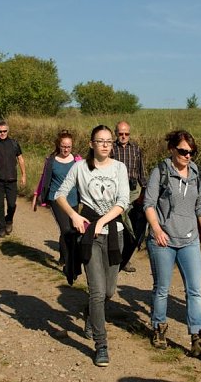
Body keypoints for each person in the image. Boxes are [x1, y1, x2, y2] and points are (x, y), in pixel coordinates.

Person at [54, 125, 129, 367]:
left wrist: (104, 221)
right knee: (97, 292)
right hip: (90, 237)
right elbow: (60, 194)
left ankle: (89, 314)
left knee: (109, 292)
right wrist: (74, 217)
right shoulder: (80, 167)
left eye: (109, 141)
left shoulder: (120, 168)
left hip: (114, 234)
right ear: (91, 144)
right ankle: (101, 344)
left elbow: (123, 202)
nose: (106, 145)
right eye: (100, 141)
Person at [143, 129, 201, 357]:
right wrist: (156, 230)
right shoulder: (161, 171)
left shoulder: (196, 173)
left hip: (190, 239)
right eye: (183, 151)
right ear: (172, 149)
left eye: (192, 152)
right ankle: (159, 329)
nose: (188, 156)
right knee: (162, 289)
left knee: (195, 291)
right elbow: (148, 203)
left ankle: (198, 338)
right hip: (164, 240)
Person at [32, 130, 82, 265]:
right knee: (65, 229)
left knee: (72, 230)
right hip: (56, 199)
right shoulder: (51, 161)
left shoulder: (78, 160)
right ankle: (67, 260)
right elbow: (44, 179)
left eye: (68, 146)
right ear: (59, 145)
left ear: (72, 146)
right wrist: (37, 195)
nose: (66, 149)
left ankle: (64, 255)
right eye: (63, 146)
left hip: (73, 199)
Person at [112, 121, 147, 273]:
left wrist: (144, 190)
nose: (124, 136)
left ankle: (125, 259)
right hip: (116, 191)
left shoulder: (136, 149)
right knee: (119, 225)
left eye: (126, 134)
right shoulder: (111, 148)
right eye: (121, 133)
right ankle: (114, 257)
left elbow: (141, 171)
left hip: (133, 192)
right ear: (116, 133)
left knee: (132, 228)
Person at [0, 120, 26, 237]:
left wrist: (24, 175)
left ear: (8, 131)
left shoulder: (14, 143)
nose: (2, 133)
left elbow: (20, 159)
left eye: (4, 131)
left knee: (12, 204)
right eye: (0, 131)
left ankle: (9, 220)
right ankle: (1, 228)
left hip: (12, 179)